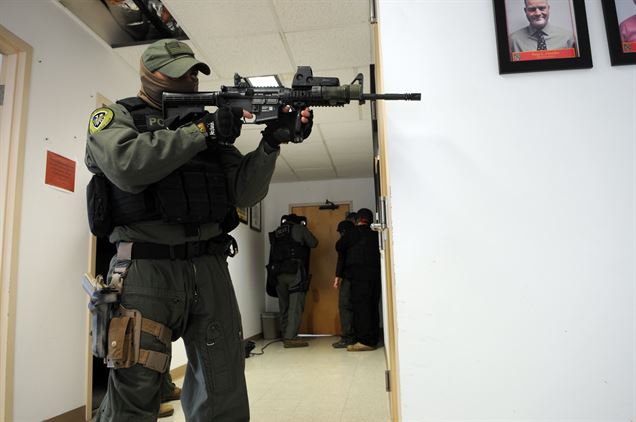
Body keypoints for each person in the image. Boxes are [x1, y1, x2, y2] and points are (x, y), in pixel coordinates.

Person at [84, 38, 313, 421]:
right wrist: (202, 130)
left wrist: (272, 142)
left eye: (193, 71)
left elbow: (243, 191)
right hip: (143, 271)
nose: (191, 78)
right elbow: (127, 166)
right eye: (180, 72)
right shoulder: (115, 117)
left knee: (223, 389)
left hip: (208, 267)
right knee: (134, 393)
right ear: (150, 75)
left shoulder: (204, 125)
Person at [268, 214, 318, 348]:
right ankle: (291, 338)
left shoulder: (277, 231)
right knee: (295, 306)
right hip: (294, 271)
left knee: (284, 304)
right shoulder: (299, 229)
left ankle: (285, 334)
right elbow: (314, 243)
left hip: (277, 272)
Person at [338, 208, 381, 352]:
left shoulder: (353, 233)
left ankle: (364, 341)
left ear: (358, 219)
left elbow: (339, 246)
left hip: (359, 276)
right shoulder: (377, 233)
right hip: (376, 275)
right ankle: (374, 338)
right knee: (373, 306)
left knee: (361, 307)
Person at [508, 0, 576, 53]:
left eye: (542, 8)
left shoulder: (568, 37)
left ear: (548, 8)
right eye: (532, 9)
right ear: (525, 11)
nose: (538, 13)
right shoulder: (513, 40)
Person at [332, 212, 357, 348]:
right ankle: (358, 336)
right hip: (363, 278)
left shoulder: (344, 241)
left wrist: (337, 277)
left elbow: (341, 259)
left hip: (348, 278)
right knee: (359, 306)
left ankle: (347, 337)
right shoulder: (360, 237)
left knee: (345, 305)